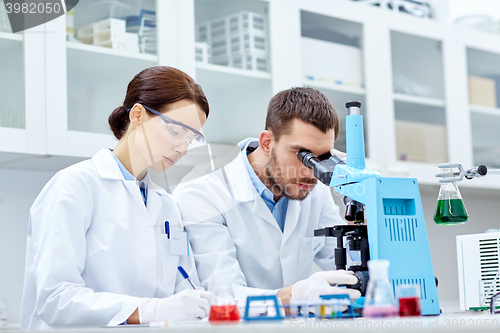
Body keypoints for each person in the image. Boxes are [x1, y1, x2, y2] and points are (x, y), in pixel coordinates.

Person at [20, 66, 212, 329]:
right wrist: (148, 309)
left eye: (190, 140)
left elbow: (183, 284)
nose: (181, 149)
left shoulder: (165, 204)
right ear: (138, 115)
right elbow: (56, 299)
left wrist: (197, 304)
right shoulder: (75, 186)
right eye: (175, 132)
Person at [173, 87, 361, 308]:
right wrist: (294, 295)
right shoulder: (203, 195)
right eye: (303, 155)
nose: (311, 172)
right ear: (266, 143)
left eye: (321, 158)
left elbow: (351, 270)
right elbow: (223, 296)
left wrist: (366, 206)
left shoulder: (314, 189)